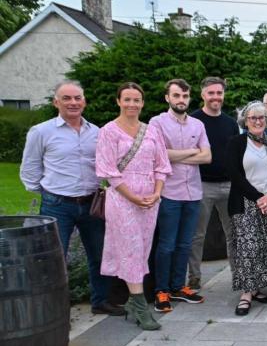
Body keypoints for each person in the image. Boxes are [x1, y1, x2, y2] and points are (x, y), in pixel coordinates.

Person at [20, 80, 124, 316]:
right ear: (56, 102)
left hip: (91, 204)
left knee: (99, 255)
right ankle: (52, 309)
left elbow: (106, 164)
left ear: (84, 101)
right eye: (66, 98)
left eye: (77, 98)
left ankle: (100, 302)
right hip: (57, 206)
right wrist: (50, 192)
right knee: (53, 259)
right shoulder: (41, 132)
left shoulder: (98, 133)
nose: (73, 103)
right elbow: (29, 170)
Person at [95, 82, 171, 330]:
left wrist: (157, 193)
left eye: (136, 100)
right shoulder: (108, 131)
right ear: (118, 101)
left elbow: (161, 165)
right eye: (127, 99)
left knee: (142, 249)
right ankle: (140, 306)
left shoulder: (151, 131)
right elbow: (109, 172)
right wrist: (133, 197)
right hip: (122, 200)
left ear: (142, 102)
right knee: (131, 249)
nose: (131, 104)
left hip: (149, 200)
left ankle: (131, 302)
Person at [225, 101, 267, 316]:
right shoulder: (236, 143)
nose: (257, 121)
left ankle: (257, 289)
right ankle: (246, 293)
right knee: (249, 249)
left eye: (261, 117)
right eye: (252, 118)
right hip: (246, 203)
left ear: (266, 120)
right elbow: (234, 175)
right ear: (245, 121)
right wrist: (259, 198)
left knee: (266, 247)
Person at [148, 79, 210, 313]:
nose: (181, 100)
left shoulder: (197, 125)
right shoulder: (156, 123)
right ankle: (161, 290)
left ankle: (178, 287)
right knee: (166, 244)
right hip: (169, 193)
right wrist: (193, 151)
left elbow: (207, 157)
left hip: (193, 192)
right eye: (176, 96)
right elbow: (157, 155)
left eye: (184, 96)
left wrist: (174, 155)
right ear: (168, 98)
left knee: (185, 243)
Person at [188, 77, 240, 291]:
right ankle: (194, 277)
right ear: (203, 95)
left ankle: (239, 274)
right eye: (211, 93)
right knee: (197, 234)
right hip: (202, 185)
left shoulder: (230, 123)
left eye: (219, 93)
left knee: (233, 233)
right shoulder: (193, 121)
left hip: (228, 185)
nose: (216, 97)